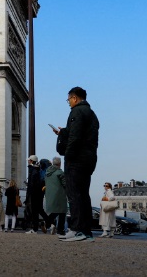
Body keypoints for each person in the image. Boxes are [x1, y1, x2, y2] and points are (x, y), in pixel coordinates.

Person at [56, 86, 99, 242]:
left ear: (74, 98)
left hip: (77, 158)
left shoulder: (76, 112)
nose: (68, 102)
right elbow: (81, 133)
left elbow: (76, 137)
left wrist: (68, 155)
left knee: (74, 194)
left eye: (68, 99)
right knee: (83, 195)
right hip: (89, 158)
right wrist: (63, 132)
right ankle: (86, 231)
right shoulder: (92, 114)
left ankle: (77, 230)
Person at [44, 157, 68, 236]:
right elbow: (65, 184)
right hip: (60, 194)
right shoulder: (59, 172)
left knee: (55, 211)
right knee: (62, 211)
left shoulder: (47, 172)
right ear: (60, 163)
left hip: (50, 194)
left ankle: (47, 222)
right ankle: (60, 230)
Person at [25, 155, 46, 234]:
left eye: (29, 160)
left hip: (34, 193)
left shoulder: (33, 170)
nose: (28, 161)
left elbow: (32, 184)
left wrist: (28, 195)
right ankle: (50, 223)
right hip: (39, 193)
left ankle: (35, 229)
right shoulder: (37, 169)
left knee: (34, 212)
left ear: (31, 161)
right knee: (38, 210)